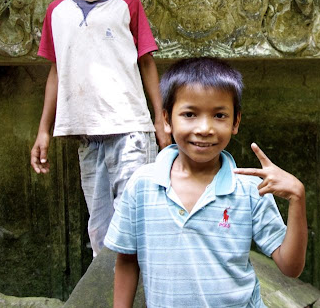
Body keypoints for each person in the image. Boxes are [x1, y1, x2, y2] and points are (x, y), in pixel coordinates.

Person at [104, 57, 308, 308]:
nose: (204, 128)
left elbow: (290, 267)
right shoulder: (143, 185)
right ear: (167, 119)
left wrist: (297, 198)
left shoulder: (249, 188)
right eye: (189, 114)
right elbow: (127, 259)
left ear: (235, 122)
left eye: (219, 115)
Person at [30, 0, 170, 256]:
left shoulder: (127, 5)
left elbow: (146, 63)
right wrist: (44, 131)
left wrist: (160, 118)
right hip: (87, 134)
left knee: (136, 217)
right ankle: (110, 295)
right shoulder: (57, 12)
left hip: (131, 130)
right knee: (100, 225)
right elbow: (57, 72)